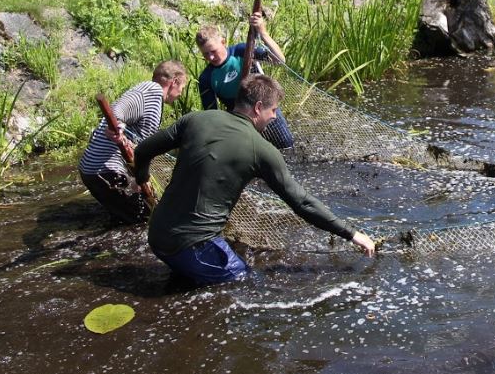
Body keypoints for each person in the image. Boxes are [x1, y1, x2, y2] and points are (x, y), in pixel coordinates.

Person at [135, 73, 376, 286]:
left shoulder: (197, 119)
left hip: (157, 236)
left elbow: (142, 150)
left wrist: (142, 178)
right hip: (193, 247)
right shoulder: (262, 150)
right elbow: (302, 203)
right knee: (246, 284)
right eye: (274, 110)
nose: (275, 117)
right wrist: (352, 234)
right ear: (258, 107)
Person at [78, 60, 189, 224]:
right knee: (146, 219)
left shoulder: (149, 94)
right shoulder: (152, 91)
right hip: (107, 170)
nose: (180, 93)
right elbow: (118, 111)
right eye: (182, 87)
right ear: (174, 82)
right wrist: (117, 126)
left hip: (91, 170)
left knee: (126, 217)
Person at [195, 13, 293, 149]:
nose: (211, 57)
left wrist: (262, 32)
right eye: (206, 54)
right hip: (241, 121)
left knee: (286, 147)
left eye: (213, 51)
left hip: (266, 108)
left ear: (223, 42)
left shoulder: (242, 51)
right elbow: (212, 114)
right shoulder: (206, 78)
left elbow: (279, 60)